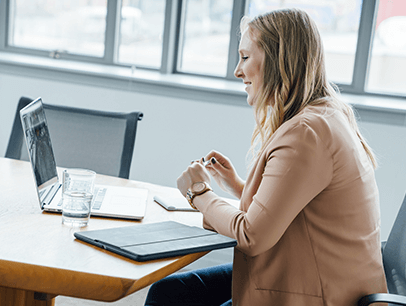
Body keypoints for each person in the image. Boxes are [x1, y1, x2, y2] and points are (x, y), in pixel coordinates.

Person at [144, 8, 387, 306]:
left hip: (319, 295)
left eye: (245, 57)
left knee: (168, 297)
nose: (237, 70)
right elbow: (293, 208)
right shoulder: (326, 115)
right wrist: (236, 185)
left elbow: (251, 236)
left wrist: (198, 193)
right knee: (170, 293)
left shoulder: (306, 133)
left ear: (277, 59)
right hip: (319, 280)